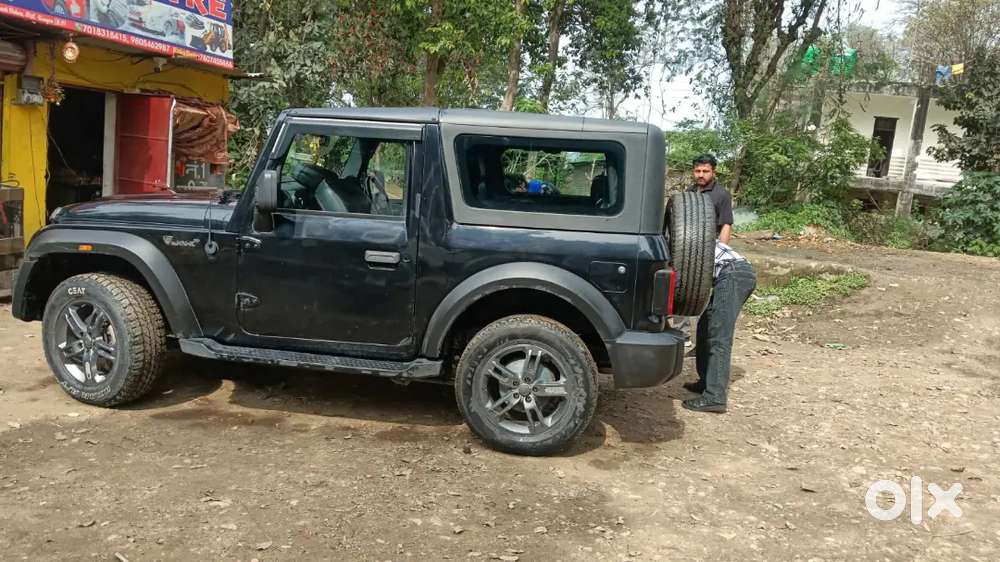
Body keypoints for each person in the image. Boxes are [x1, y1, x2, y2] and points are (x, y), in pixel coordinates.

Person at [681, 240, 756, 413]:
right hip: (733, 272)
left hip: (733, 273)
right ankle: (706, 382)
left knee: (719, 335)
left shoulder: (682, 239)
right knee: (704, 327)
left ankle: (715, 397)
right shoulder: (688, 234)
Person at [671, 153, 736, 345]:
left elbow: (725, 224)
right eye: (698, 171)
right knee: (681, 290)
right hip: (686, 251)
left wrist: (720, 252)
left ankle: (703, 339)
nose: (701, 175)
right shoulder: (689, 193)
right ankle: (682, 335)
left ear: (713, 172)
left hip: (708, 252)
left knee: (704, 296)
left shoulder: (721, 195)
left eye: (705, 171)